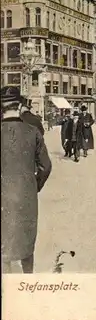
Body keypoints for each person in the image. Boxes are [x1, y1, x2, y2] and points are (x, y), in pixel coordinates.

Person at [1, 86, 52, 274]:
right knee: (26, 241)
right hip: (26, 196)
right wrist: (34, 186)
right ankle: (28, 282)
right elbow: (45, 166)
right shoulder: (33, 131)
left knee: (3, 244)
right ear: (20, 106)